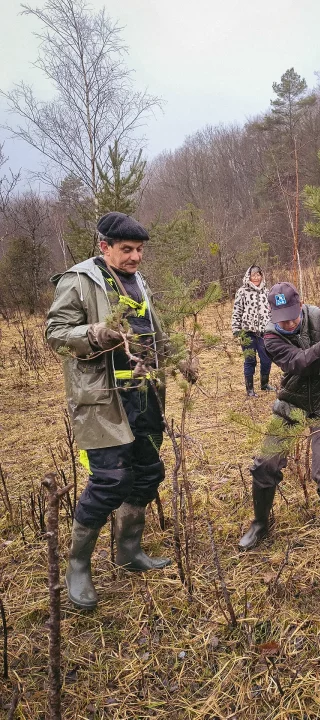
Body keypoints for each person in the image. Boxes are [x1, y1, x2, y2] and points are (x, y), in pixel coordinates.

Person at [46, 212, 170, 609]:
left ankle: (129, 552)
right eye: (127, 249)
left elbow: (153, 333)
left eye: (140, 250)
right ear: (105, 247)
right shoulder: (80, 281)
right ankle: (78, 566)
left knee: (148, 471)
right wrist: (94, 334)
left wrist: (174, 359)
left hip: (144, 393)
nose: (135, 257)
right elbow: (55, 335)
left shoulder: (139, 281)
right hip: (103, 399)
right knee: (110, 479)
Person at [239, 282, 320, 579]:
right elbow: (297, 364)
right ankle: (260, 524)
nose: (287, 323)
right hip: (292, 402)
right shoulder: (270, 336)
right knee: (265, 463)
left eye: (292, 316)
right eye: (281, 318)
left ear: (301, 305)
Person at [231, 265, 274, 396]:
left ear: (262, 276)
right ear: (248, 276)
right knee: (250, 360)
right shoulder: (242, 291)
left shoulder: (266, 292)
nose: (256, 278)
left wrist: (274, 327)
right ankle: (250, 390)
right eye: (253, 275)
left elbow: (271, 312)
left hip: (264, 333)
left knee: (266, 359)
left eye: (258, 275)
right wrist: (236, 329)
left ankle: (264, 384)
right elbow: (237, 311)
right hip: (247, 332)